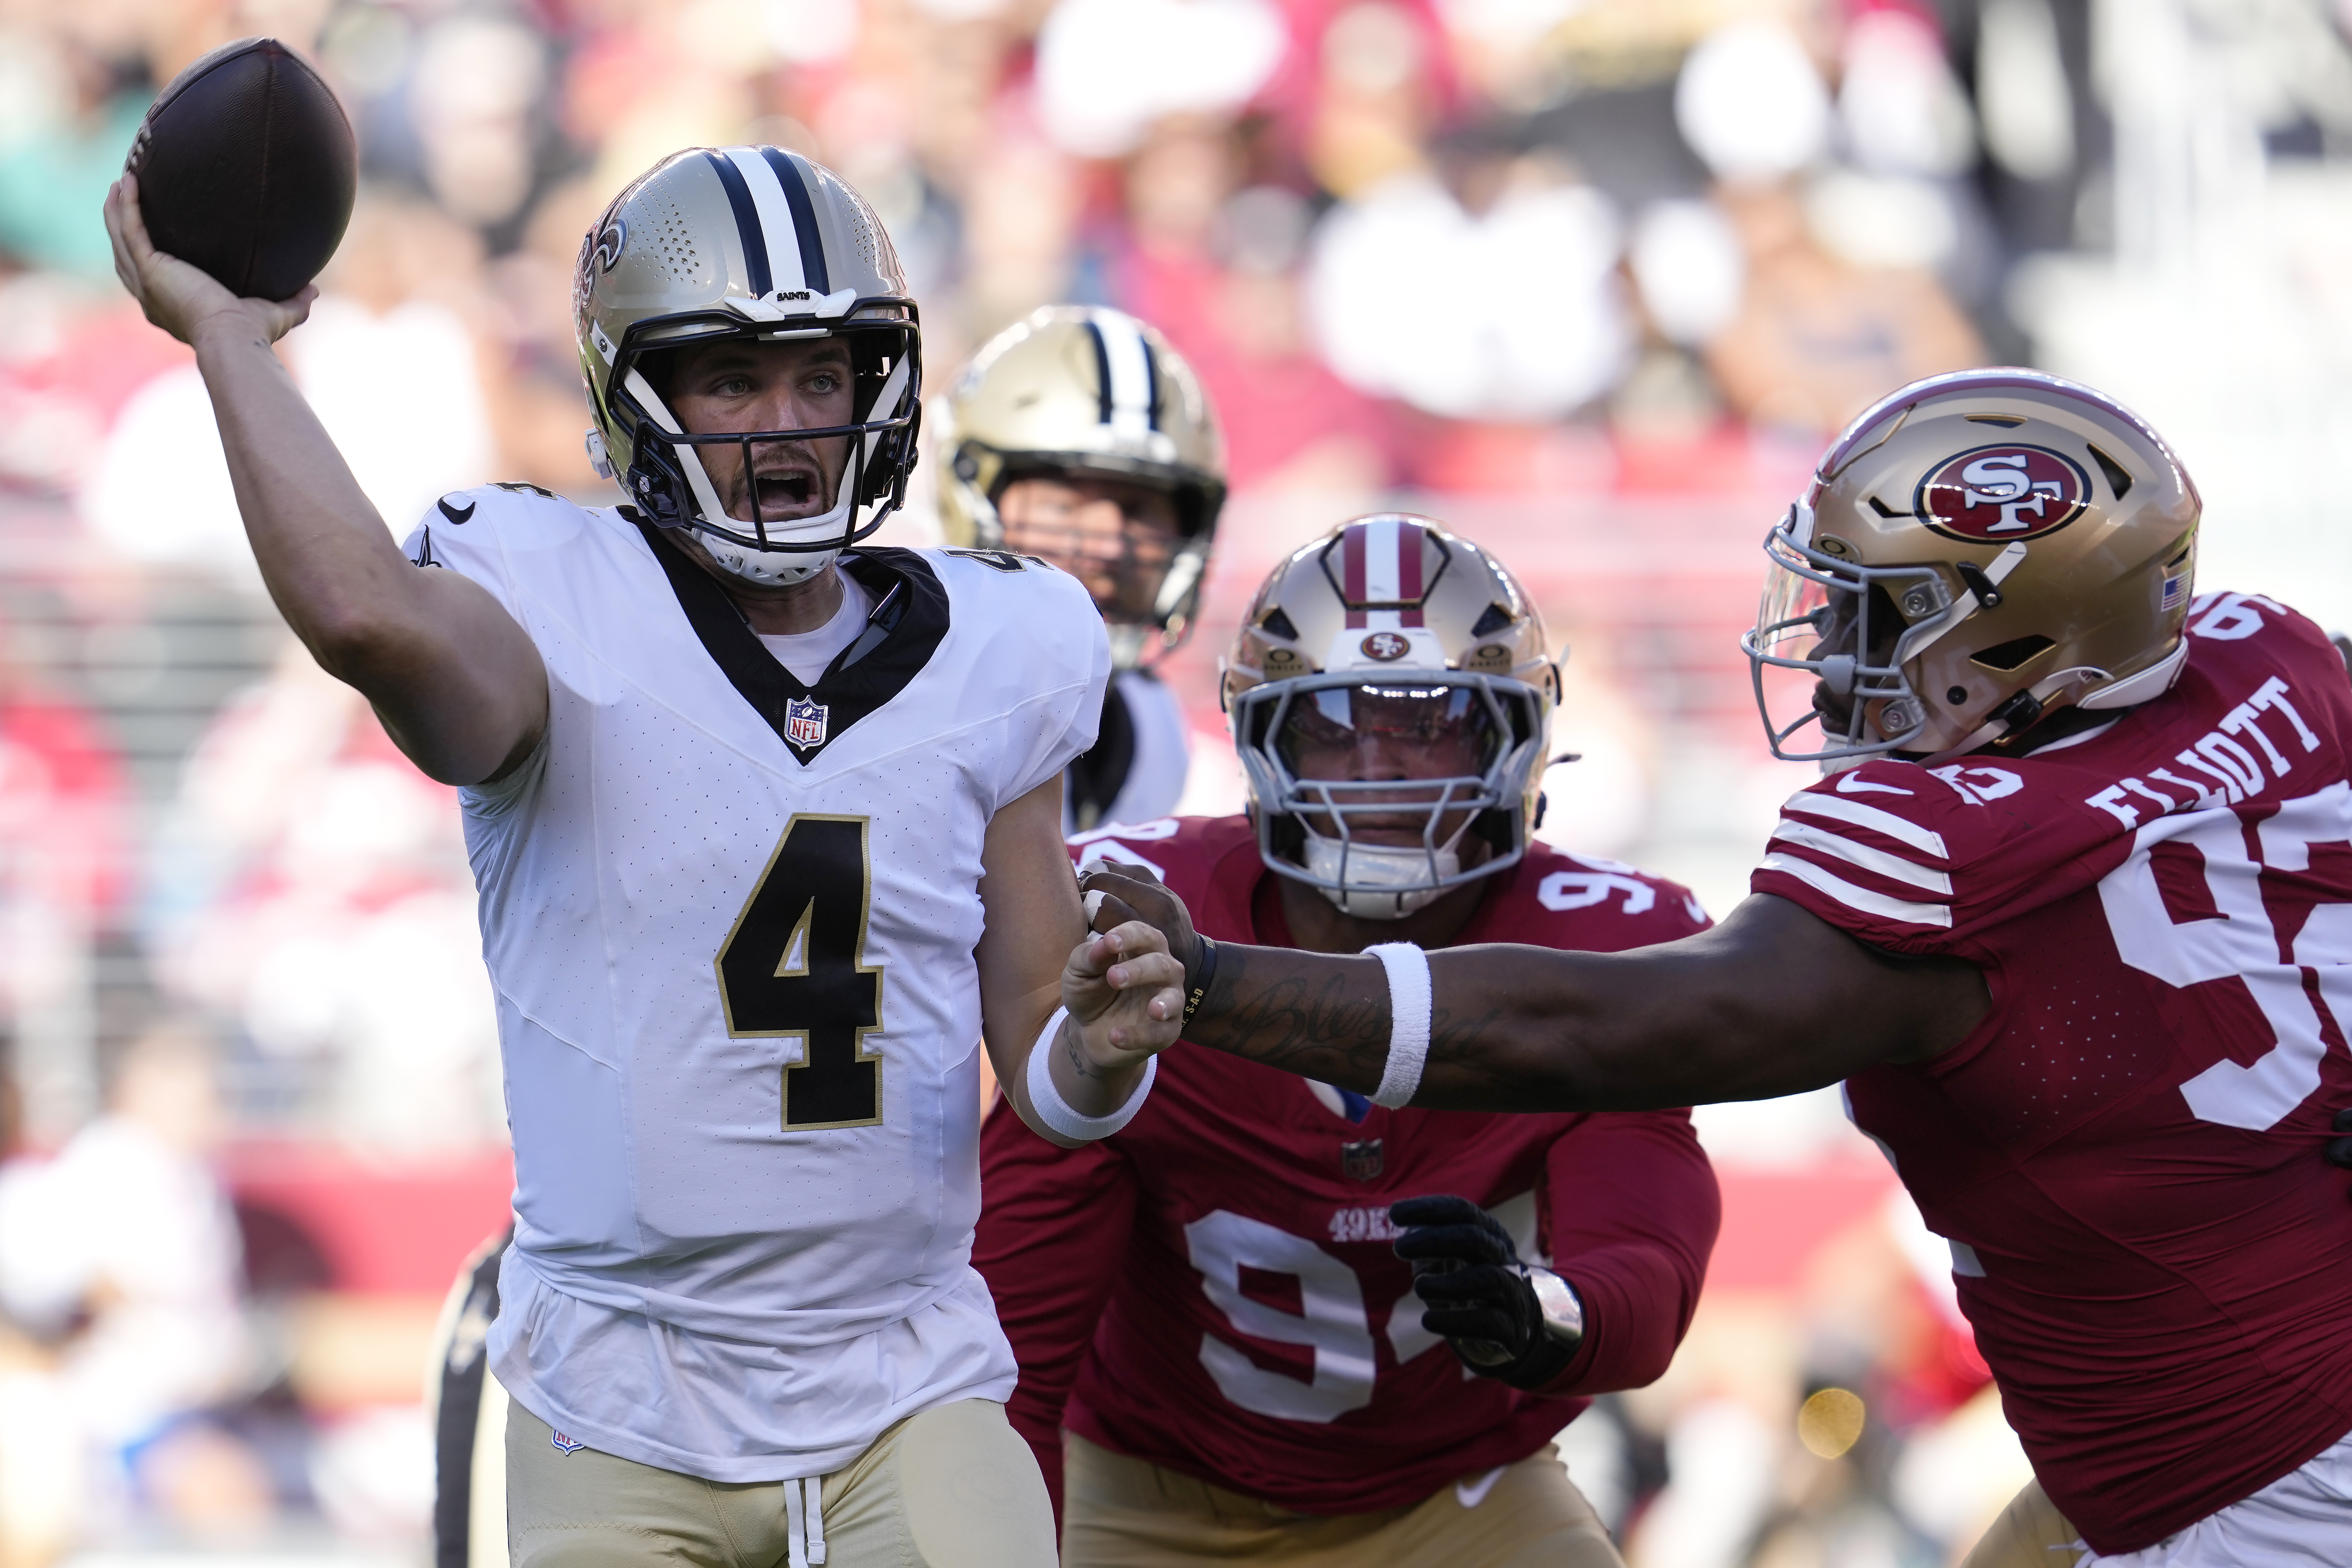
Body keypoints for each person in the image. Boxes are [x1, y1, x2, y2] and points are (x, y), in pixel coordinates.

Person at [1071, 368, 2352, 1568]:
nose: (1829, 648)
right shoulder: (2268, 664)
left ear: (2022, 641)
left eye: (1871, 611)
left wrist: (1222, 987)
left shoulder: (1944, 848)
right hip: (2204, 1421)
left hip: (2255, 1468)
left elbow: (1612, 1027)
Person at [106, 143, 1174, 1568]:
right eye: (728, 378)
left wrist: (1105, 1041)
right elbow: (364, 619)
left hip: (901, 1372)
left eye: (821, 372)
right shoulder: (548, 593)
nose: (783, 424)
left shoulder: (1007, 639)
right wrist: (232, 339)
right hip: (618, 1389)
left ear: (885, 382)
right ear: (632, 393)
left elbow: (1049, 1063)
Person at [974, 516, 1719, 1566]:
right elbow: (1017, 1341)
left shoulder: (1607, 937)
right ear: (1258, 739)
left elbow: (1641, 1262)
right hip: (1147, 1486)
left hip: (1455, 1499)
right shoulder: (1141, 921)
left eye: (1429, 723)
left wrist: (1541, 1313)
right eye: (1330, 726)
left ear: (1519, 737)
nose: (1376, 769)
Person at [936, 305, 1227, 832]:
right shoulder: (917, 705)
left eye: (1139, 511)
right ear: (975, 502)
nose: (1110, 546)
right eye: (1065, 507)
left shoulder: (1154, 725)